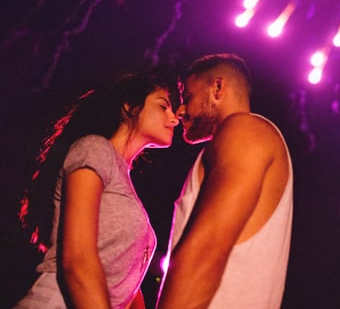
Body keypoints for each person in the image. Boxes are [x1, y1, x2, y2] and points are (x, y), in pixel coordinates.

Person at [14, 70, 180, 309]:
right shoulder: (94, 149)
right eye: (163, 106)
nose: (174, 118)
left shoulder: (126, 185)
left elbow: (125, 287)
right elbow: (77, 260)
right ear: (128, 105)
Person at [157, 53, 293, 308]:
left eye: (188, 98)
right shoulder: (243, 138)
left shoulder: (244, 130)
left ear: (217, 88)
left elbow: (206, 251)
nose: (181, 111)